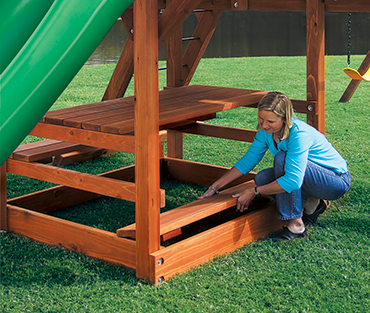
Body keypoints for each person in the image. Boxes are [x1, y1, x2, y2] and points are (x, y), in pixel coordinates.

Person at [199, 92, 351, 240]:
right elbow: (248, 161)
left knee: (282, 159)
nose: (264, 125)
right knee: (262, 177)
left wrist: (255, 191)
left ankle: (296, 225)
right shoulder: (265, 132)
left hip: (334, 181)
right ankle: (313, 204)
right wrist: (215, 187)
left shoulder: (299, 134)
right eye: (261, 118)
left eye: (270, 121)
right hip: (308, 176)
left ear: (285, 119)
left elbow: (292, 181)